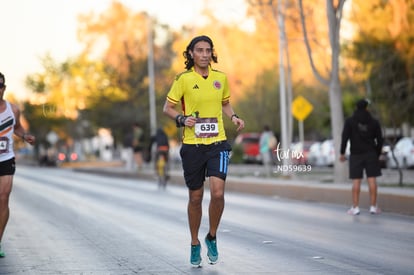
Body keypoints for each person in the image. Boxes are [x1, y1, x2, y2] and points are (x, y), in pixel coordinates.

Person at [163, 35, 245, 266]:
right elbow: (167, 107)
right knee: (196, 197)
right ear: (191, 53)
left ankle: (211, 236)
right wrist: (181, 118)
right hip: (192, 146)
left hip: (218, 143)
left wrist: (234, 117)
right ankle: (194, 242)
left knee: (218, 193)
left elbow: (225, 103)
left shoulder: (221, 78)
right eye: (199, 50)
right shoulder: (183, 79)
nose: (204, 54)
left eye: (208, 50)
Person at [0, 72, 36, 257]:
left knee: (4, 197)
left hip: (6, 158)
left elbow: (17, 127)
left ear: (4, 88)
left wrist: (25, 136)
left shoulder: (13, 110)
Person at [339, 98, 383, 215]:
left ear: (356, 107)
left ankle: (355, 207)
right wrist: (377, 153)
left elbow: (345, 138)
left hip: (356, 154)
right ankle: (373, 207)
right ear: (367, 107)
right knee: (372, 180)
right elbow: (380, 140)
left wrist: (342, 153)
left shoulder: (350, 121)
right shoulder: (374, 122)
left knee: (356, 181)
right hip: (370, 154)